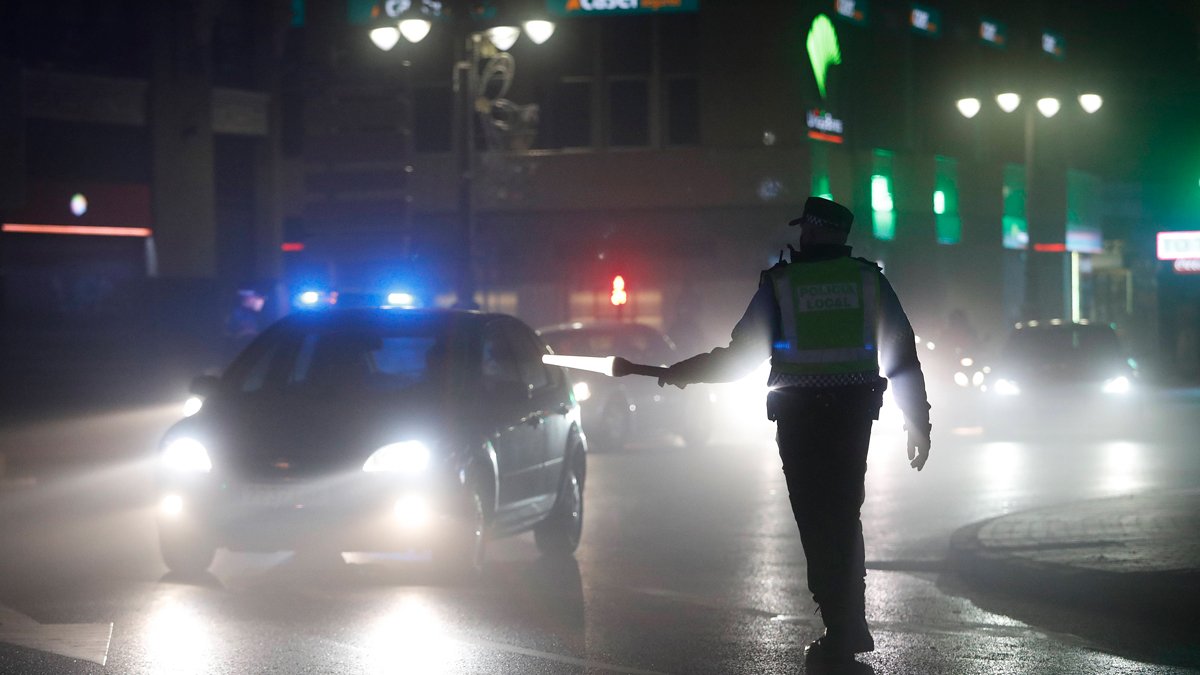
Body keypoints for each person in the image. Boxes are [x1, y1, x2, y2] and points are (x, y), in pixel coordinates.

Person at [654, 196, 931, 665]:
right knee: (844, 514)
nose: (800, 237)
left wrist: (686, 370)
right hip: (852, 416)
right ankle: (848, 622)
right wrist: (917, 419)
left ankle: (841, 625)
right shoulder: (868, 280)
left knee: (815, 518)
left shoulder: (782, 285)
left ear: (816, 232)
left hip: (800, 421)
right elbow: (902, 354)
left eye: (806, 229)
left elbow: (741, 357)